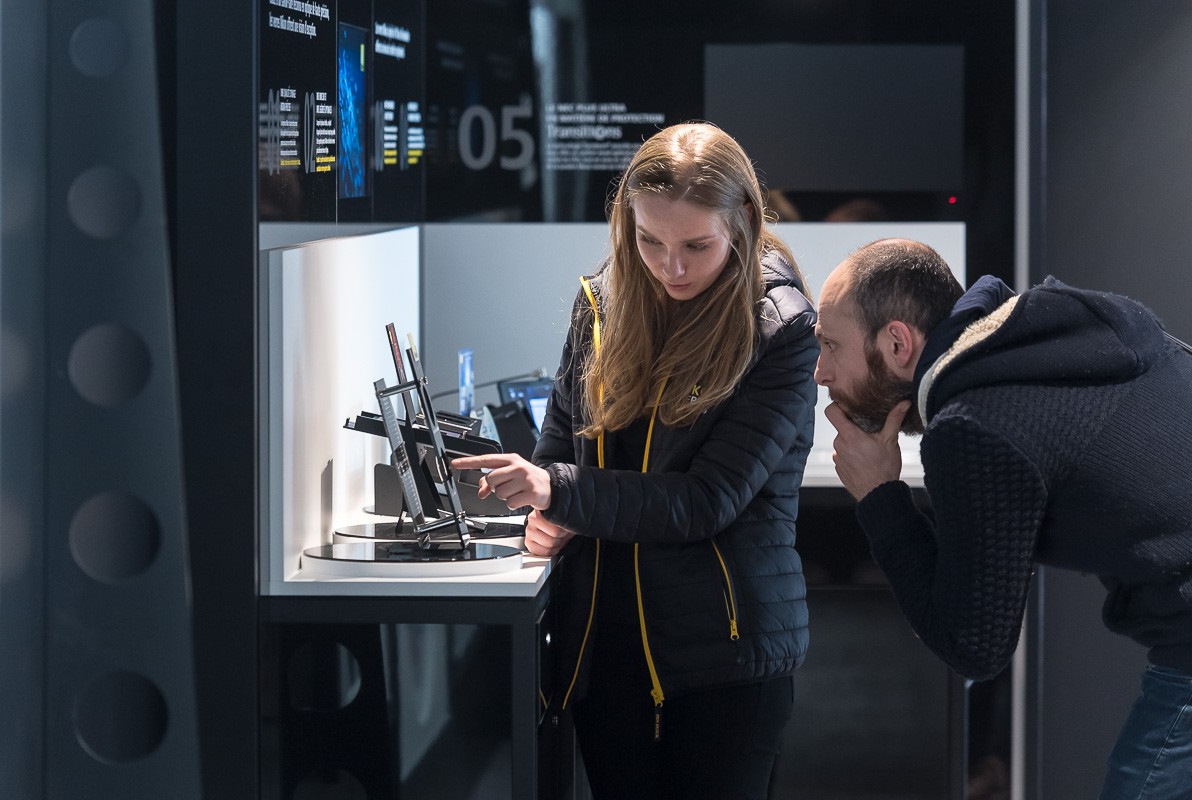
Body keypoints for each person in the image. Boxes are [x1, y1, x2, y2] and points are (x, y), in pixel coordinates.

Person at [451, 122, 818, 799]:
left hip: (725, 658)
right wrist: (551, 510)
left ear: (742, 221)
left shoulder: (782, 330)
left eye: (695, 247)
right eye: (650, 241)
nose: (670, 267)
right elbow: (562, 451)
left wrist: (559, 493)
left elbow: (704, 501)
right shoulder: (599, 304)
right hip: (605, 650)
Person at [813, 237, 1192, 800]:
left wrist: (880, 495)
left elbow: (973, 647)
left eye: (829, 346)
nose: (820, 373)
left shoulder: (975, 424)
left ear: (897, 343)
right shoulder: (1058, 331)